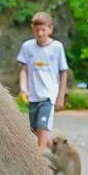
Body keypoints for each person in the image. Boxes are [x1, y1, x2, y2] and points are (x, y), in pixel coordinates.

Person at [17, 11, 69, 153]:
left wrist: (60, 96)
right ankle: (54, 146)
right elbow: (24, 70)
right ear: (32, 28)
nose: (40, 33)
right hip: (33, 95)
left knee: (42, 128)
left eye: (43, 30)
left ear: (50, 29)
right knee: (35, 132)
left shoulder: (57, 47)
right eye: (37, 30)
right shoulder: (27, 47)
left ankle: (38, 163)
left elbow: (63, 72)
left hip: (49, 96)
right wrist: (23, 88)